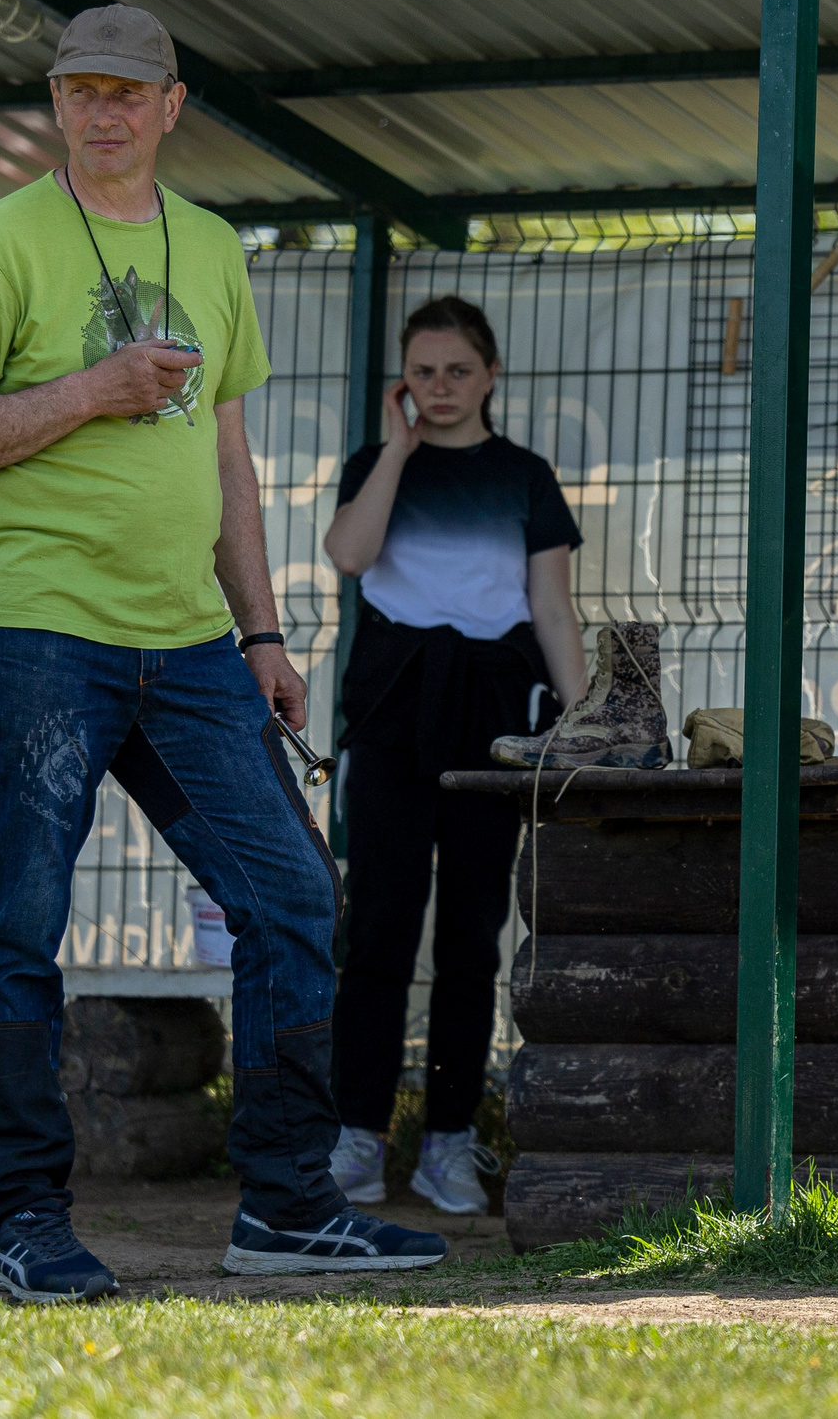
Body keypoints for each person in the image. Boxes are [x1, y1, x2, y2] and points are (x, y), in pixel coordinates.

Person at [0, 4, 445, 1302]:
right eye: (81, 90)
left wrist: (261, 629)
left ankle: (288, 1203)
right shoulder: (1, 239)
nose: (104, 113)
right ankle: (22, 1211)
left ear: (173, 107)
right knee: (20, 917)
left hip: (191, 645)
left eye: (128, 94)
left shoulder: (211, 246)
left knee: (296, 896)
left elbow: (230, 460)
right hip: (38, 633)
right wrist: (93, 388)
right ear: (56, 100)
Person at [320, 295, 587, 1213]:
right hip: (393, 717)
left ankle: (448, 1140)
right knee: (379, 931)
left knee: (473, 939)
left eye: (457, 372)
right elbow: (350, 555)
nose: (440, 388)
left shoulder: (525, 476)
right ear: (405, 380)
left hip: (494, 723)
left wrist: (581, 720)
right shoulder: (376, 464)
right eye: (423, 373)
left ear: (490, 375)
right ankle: (356, 1136)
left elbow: (552, 607)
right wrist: (395, 449)